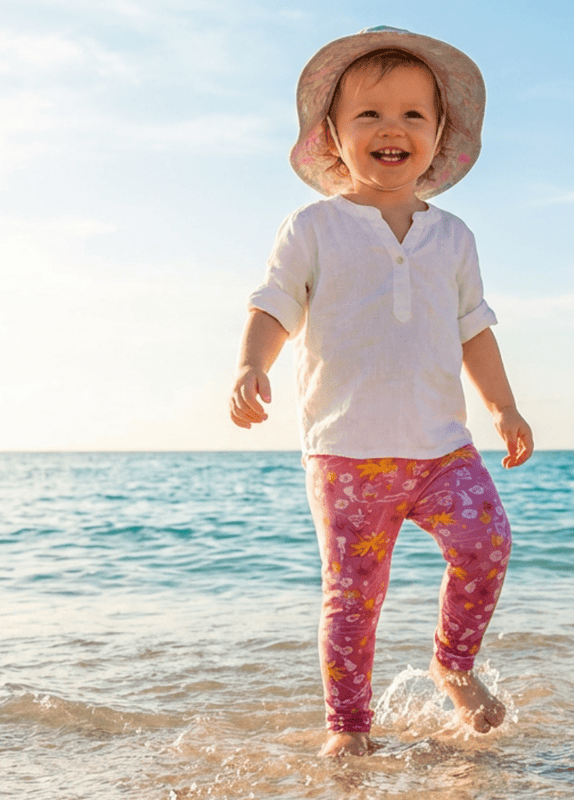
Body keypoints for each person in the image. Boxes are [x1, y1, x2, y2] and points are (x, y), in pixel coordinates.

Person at [229, 26, 533, 758]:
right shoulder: (314, 227)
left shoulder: (453, 237)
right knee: (353, 597)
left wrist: (503, 406)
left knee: (488, 545)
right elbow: (273, 304)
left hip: (441, 449)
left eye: (412, 115)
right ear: (332, 135)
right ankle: (350, 730)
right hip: (347, 452)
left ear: (438, 136)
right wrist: (252, 363)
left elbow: (474, 330)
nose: (391, 129)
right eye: (369, 114)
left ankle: (453, 666)